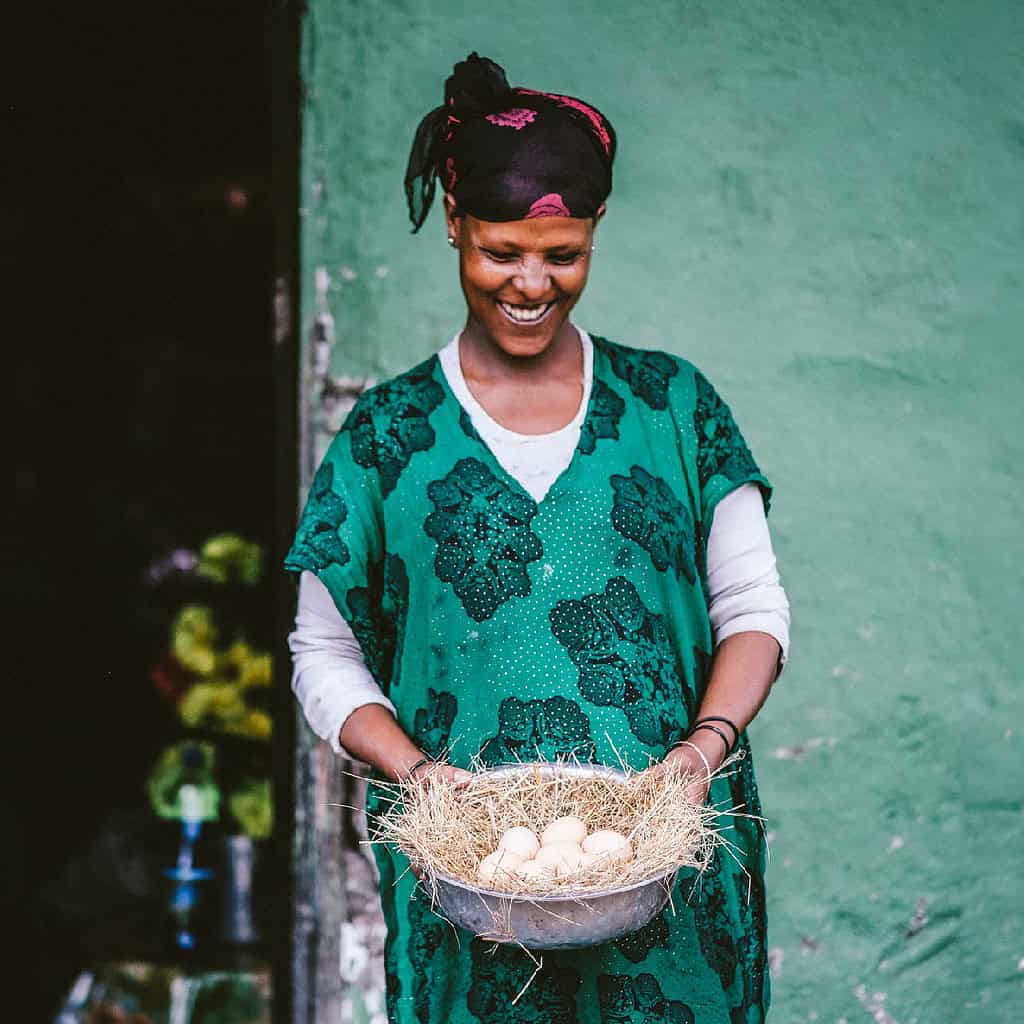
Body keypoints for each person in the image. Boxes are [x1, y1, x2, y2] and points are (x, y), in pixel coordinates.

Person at [286, 52, 790, 1024]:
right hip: (468, 906)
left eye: (561, 256)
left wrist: (697, 755)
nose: (530, 283)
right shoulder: (389, 436)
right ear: (454, 225)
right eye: (500, 251)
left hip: (667, 894)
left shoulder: (672, 407)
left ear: (593, 235)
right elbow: (322, 649)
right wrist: (424, 780)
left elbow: (753, 609)